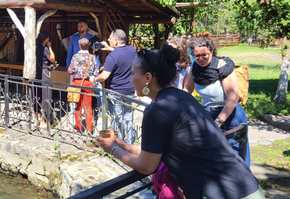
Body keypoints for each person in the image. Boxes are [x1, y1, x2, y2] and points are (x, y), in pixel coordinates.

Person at [97, 45, 264, 199]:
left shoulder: (156, 111)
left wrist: (112, 149)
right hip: (247, 186)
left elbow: (147, 166)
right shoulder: (183, 98)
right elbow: (157, 151)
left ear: (148, 77)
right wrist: (123, 145)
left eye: (133, 73)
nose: (131, 79)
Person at [184, 33, 251, 166]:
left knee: (236, 159)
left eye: (205, 55)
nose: (201, 58)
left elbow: (233, 98)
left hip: (231, 116)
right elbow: (187, 90)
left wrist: (218, 122)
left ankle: (244, 185)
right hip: (209, 114)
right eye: (197, 55)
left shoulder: (223, 67)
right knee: (213, 157)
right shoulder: (194, 68)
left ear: (212, 51)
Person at [95, 29, 136, 144]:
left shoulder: (112, 57)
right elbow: (122, 53)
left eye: (110, 38)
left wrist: (95, 79)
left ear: (116, 40)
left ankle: (119, 142)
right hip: (130, 90)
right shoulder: (132, 50)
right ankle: (129, 141)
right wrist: (109, 48)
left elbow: (104, 76)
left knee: (117, 117)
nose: (108, 39)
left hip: (117, 92)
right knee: (128, 115)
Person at [67, 38, 99, 132]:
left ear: (79, 46)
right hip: (88, 83)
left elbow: (70, 71)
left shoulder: (75, 57)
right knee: (88, 106)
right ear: (88, 46)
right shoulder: (92, 57)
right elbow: (96, 72)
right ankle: (89, 129)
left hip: (77, 83)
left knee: (78, 105)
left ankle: (78, 127)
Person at [35, 31, 55, 129]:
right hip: (44, 73)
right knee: (45, 95)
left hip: (35, 73)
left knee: (36, 94)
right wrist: (50, 46)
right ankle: (43, 121)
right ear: (46, 39)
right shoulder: (45, 49)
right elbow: (52, 58)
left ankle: (35, 119)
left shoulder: (34, 48)